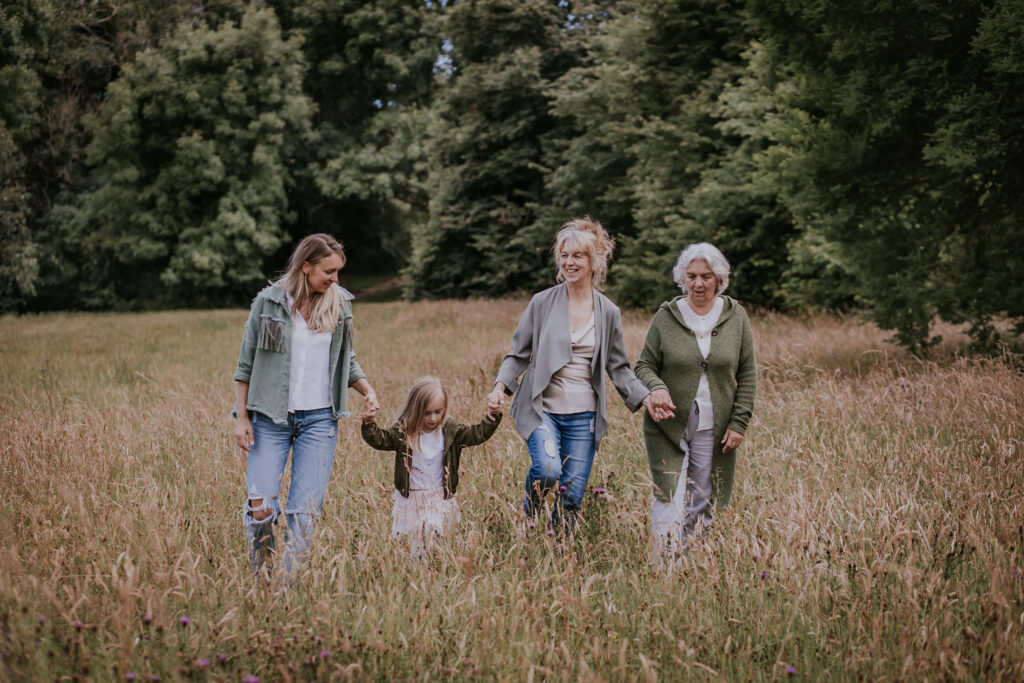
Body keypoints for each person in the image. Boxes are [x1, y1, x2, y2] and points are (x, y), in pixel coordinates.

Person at [487, 217, 671, 534]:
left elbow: (618, 367)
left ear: (593, 261)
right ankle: (528, 511)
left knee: (571, 496)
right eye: (565, 255)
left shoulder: (608, 312)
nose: (569, 262)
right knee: (547, 470)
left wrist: (646, 397)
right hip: (542, 409)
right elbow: (518, 353)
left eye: (578, 256)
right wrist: (499, 388)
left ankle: (561, 554)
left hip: (584, 415)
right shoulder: (542, 303)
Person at [233, 233, 380, 578]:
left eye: (337, 272)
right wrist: (241, 416)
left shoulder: (339, 304)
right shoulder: (267, 303)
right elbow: (246, 363)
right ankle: (264, 573)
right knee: (260, 506)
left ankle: (286, 586)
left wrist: (367, 390)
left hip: (319, 420)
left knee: (305, 512)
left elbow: (346, 358)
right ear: (306, 267)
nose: (334, 279)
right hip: (270, 418)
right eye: (328, 271)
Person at [634, 242, 757, 567]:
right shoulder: (667, 316)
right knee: (668, 492)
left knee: (703, 498)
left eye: (706, 276)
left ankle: (690, 565)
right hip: (669, 423)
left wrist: (739, 423)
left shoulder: (736, 316)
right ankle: (665, 570)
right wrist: (656, 388)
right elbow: (643, 366)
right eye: (691, 276)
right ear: (682, 279)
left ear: (718, 278)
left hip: (714, 425)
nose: (698, 283)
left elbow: (748, 374)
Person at [360, 376, 502, 559]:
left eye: (438, 411)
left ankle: (439, 566)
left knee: (431, 531)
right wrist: (369, 424)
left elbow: (477, 434)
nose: (433, 418)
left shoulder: (450, 430)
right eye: (427, 413)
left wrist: (493, 417)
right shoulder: (404, 431)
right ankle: (421, 574)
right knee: (418, 544)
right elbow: (381, 439)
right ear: (415, 410)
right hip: (412, 498)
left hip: (438, 497)